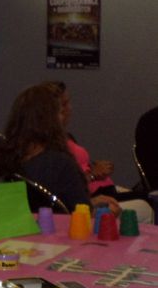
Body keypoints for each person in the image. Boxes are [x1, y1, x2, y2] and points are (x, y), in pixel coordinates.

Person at [0, 83, 119, 214]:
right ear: (49, 120)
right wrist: (109, 212)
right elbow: (83, 215)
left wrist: (91, 202)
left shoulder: (9, 157)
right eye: (60, 112)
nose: (64, 116)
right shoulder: (60, 163)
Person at [51, 81, 153, 224]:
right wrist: (93, 175)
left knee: (149, 197)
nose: (70, 109)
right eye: (64, 105)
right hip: (91, 196)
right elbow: (68, 185)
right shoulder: (53, 147)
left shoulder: (65, 137)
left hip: (102, 189)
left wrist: (93, 168)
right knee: (148, 202)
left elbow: (77, 169)